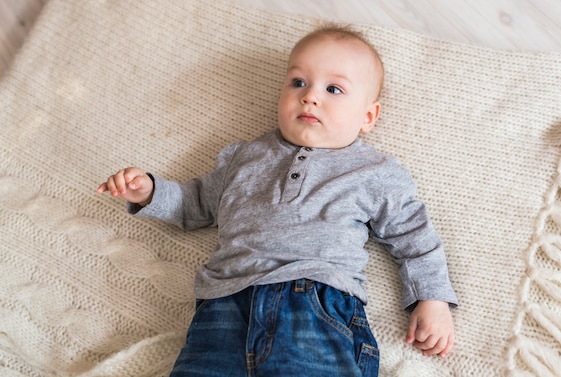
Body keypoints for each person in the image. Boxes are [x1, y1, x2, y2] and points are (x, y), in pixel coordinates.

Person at [97, 24, 458, 377]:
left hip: (316, 307)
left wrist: (432, 300)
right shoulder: (245, 156)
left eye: (334, 89)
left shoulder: (374, 172)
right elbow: (196, 204)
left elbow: (415, 239)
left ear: (368, 116)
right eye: (298, 82)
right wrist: (149, 192)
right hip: (224, 306)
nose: (310, 96)